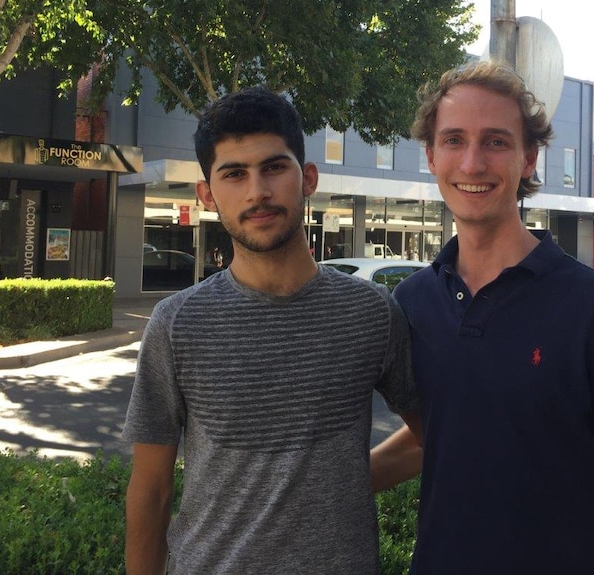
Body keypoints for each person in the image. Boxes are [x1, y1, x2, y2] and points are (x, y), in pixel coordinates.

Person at [370, 60, 594, 574]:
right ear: (430, 156)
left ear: (528, 158)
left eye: (495, 141)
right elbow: (444, 433)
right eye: (453, 140)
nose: (472, 163)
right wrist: (320, 486)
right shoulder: (414, 302)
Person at [123, 86, 420, 574]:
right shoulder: (177, 323)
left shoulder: (372, 312)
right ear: (207, 194)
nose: (257, 191)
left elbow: (434, 438)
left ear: (307, 178)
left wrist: (333, 484)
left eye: (274, 168)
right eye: (234, 174)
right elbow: (151, 489)